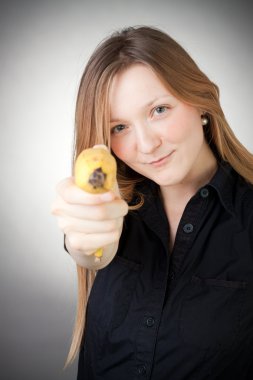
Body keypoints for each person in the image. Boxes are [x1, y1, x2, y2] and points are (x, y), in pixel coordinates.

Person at [51, 26, 253, 379]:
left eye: (159, 109)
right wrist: (84, 245)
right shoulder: (115, 204)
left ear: (201, 103)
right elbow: (89, 248)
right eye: (119, 128)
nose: (145, 145)